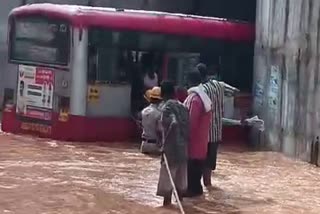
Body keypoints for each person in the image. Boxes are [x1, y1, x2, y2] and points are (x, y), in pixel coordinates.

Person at [197, 63, 239, 187]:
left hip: (202, 133)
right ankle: (208, 187)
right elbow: (235, 91)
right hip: (216, 133)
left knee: (197, 166)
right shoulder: (219, 85)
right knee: (208, 167)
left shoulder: (200, 90)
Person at [156, 80, 189, 206]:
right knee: (180, 187)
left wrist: (164, 146)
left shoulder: (166, 108)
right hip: (183, 150)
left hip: (171, 151)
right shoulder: (184, 107)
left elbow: (173, 124)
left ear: (163, 94)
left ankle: (167, 208)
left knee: (167, 189)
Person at [183, 71, 212, 197]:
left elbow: (190, 123)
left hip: (193, 144)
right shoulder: (203, 98)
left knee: (191, 182)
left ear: (189, 81)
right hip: (201, 144)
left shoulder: (194, 99)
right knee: (196, 182)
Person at [140, 87, 162, 155]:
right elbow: (159, 130)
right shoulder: (159, 113)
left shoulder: (143, 111)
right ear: (159, 100)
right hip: (154, 145)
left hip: (143, 144)